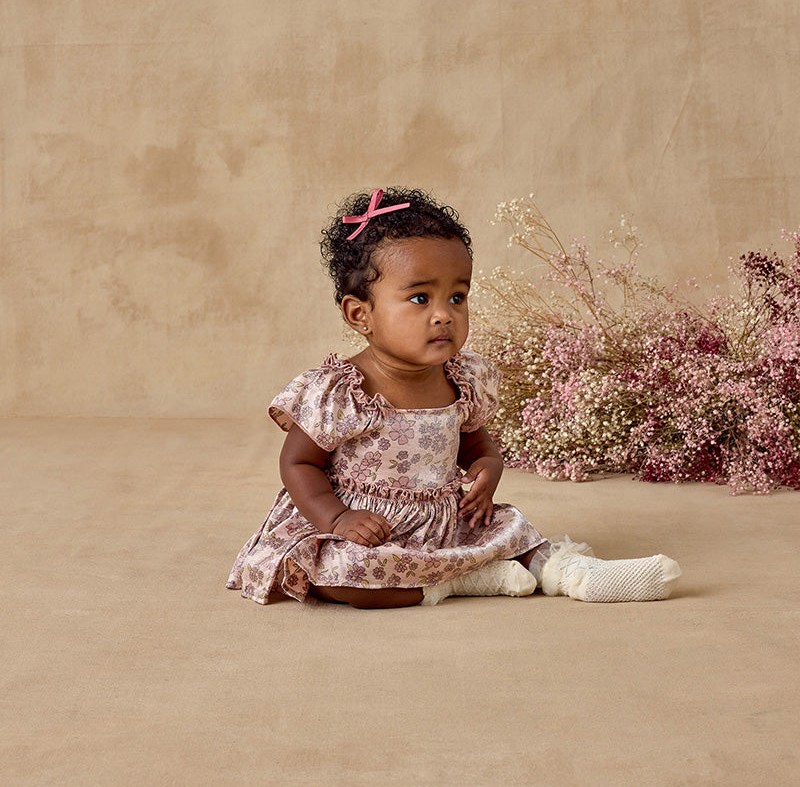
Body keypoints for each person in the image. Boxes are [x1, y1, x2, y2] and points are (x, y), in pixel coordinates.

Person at [227, 187, 681, 609]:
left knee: (515, 531)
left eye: (457, 296)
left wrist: (489, 468)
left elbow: (476, 445)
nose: (444, 314)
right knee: (338, 577)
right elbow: (298, 464)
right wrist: (337, 518)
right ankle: (461, 580)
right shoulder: (343, 391)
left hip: (443, 522)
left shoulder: (460, 378)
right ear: (360, 314)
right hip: (368, 528)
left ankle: (572, 572)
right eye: (420, 298)